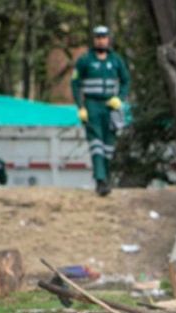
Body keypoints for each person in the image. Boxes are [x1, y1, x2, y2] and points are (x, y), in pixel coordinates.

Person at [71, 25, 130, 196]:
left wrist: (120, 98)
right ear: (94, 39)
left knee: (109, 146)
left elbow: (126, 81)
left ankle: (106, 177)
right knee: (96, 144)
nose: (101, 40)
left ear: (108, 39)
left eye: (104, 37)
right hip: (92, 105)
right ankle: (100, 180)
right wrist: (80, 106)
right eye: (98, 37)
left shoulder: (116, 60)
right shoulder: (85, 60)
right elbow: (75, 84)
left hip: (110, 106)